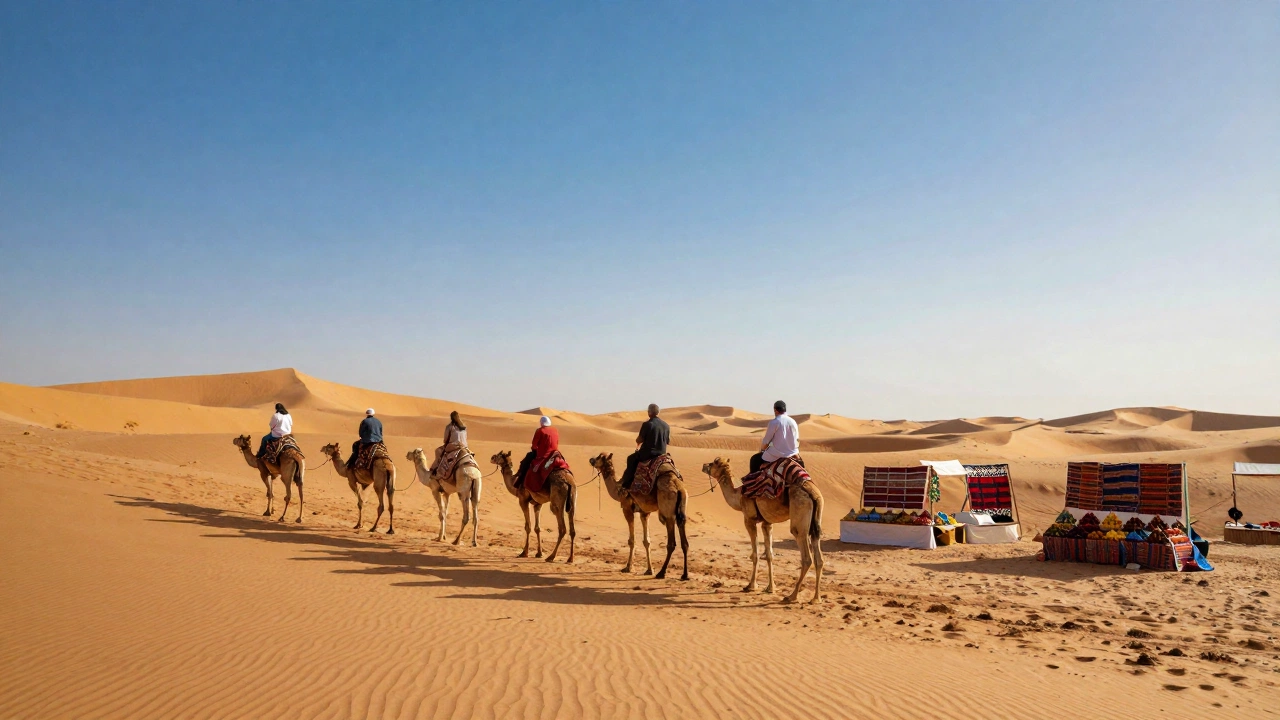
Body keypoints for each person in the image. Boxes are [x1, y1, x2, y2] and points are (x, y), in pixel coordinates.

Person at [620, 404, 670, 490]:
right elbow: (668, 441)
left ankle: (626, 486)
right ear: (658, 412)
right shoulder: (666, 426)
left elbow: (639, 440)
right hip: (662, 455)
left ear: (649, 412)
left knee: (631, 459)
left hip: (648, 454)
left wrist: (638, 441)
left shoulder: (647, 424)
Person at [749, 400, 800, 474]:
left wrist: (762, 449)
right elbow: (797, 440)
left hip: (776, 455)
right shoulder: (793, 422)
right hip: (793, 454)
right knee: (802, 466)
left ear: (775, 410)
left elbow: (766, 441)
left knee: (754, 460)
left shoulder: (774, 422)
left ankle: (753, 482)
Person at [515, 415, 558, 488]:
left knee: (526, 461)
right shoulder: (555, 430)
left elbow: (534, 445)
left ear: (541, 423)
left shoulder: (540, 431)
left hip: (543, 455)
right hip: (555, 453)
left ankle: (519, 481)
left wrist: (534, 449)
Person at [430, 411, 469, 476]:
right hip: (464, 446)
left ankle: (436, 470)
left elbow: (445, 440)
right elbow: (465, 437)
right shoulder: (464, 427)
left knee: (438, 451)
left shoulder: (450, 427)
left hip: (454, 446)